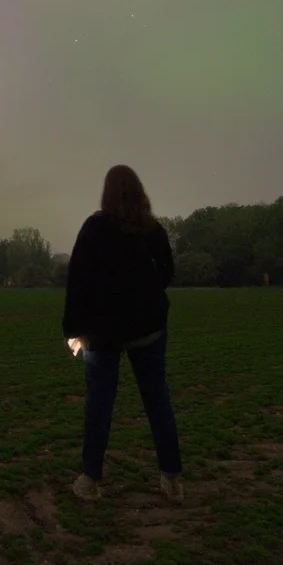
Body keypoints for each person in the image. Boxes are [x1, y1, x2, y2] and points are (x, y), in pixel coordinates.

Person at [61, 164, 183, 503]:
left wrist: (72, 329)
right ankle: (172, 480)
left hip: (103, 334)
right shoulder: (154, 231)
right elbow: (167, 272)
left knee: (99, 404)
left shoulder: (95, 228)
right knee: (158, 401)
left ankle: (90, 480)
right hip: (149, 330)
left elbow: (78, 282)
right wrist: (147, 297)